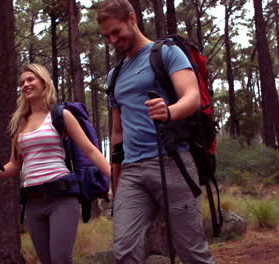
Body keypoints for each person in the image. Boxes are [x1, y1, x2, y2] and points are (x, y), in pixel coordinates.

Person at [96, 0, 215, 263]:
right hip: (132, 171)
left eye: (116, 31)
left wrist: (169, 111)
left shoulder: (167, 53)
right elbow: (117, 134)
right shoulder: (114, 76)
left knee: (191, 251)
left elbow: (192, 96)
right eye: (107, 36)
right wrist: (116, 182)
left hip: (173, 162)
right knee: (124, 250)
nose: (113, 40)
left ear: (131, 18)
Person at [0, 64, 111, 264]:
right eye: (22, 82)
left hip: (62, 197)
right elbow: (14, 165)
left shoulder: (60, 115)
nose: (25, 84)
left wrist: (117, 176)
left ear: (44, 82)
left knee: (60, 260)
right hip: (33, 203)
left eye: (31, 79)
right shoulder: (19, 124)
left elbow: (91, 151)